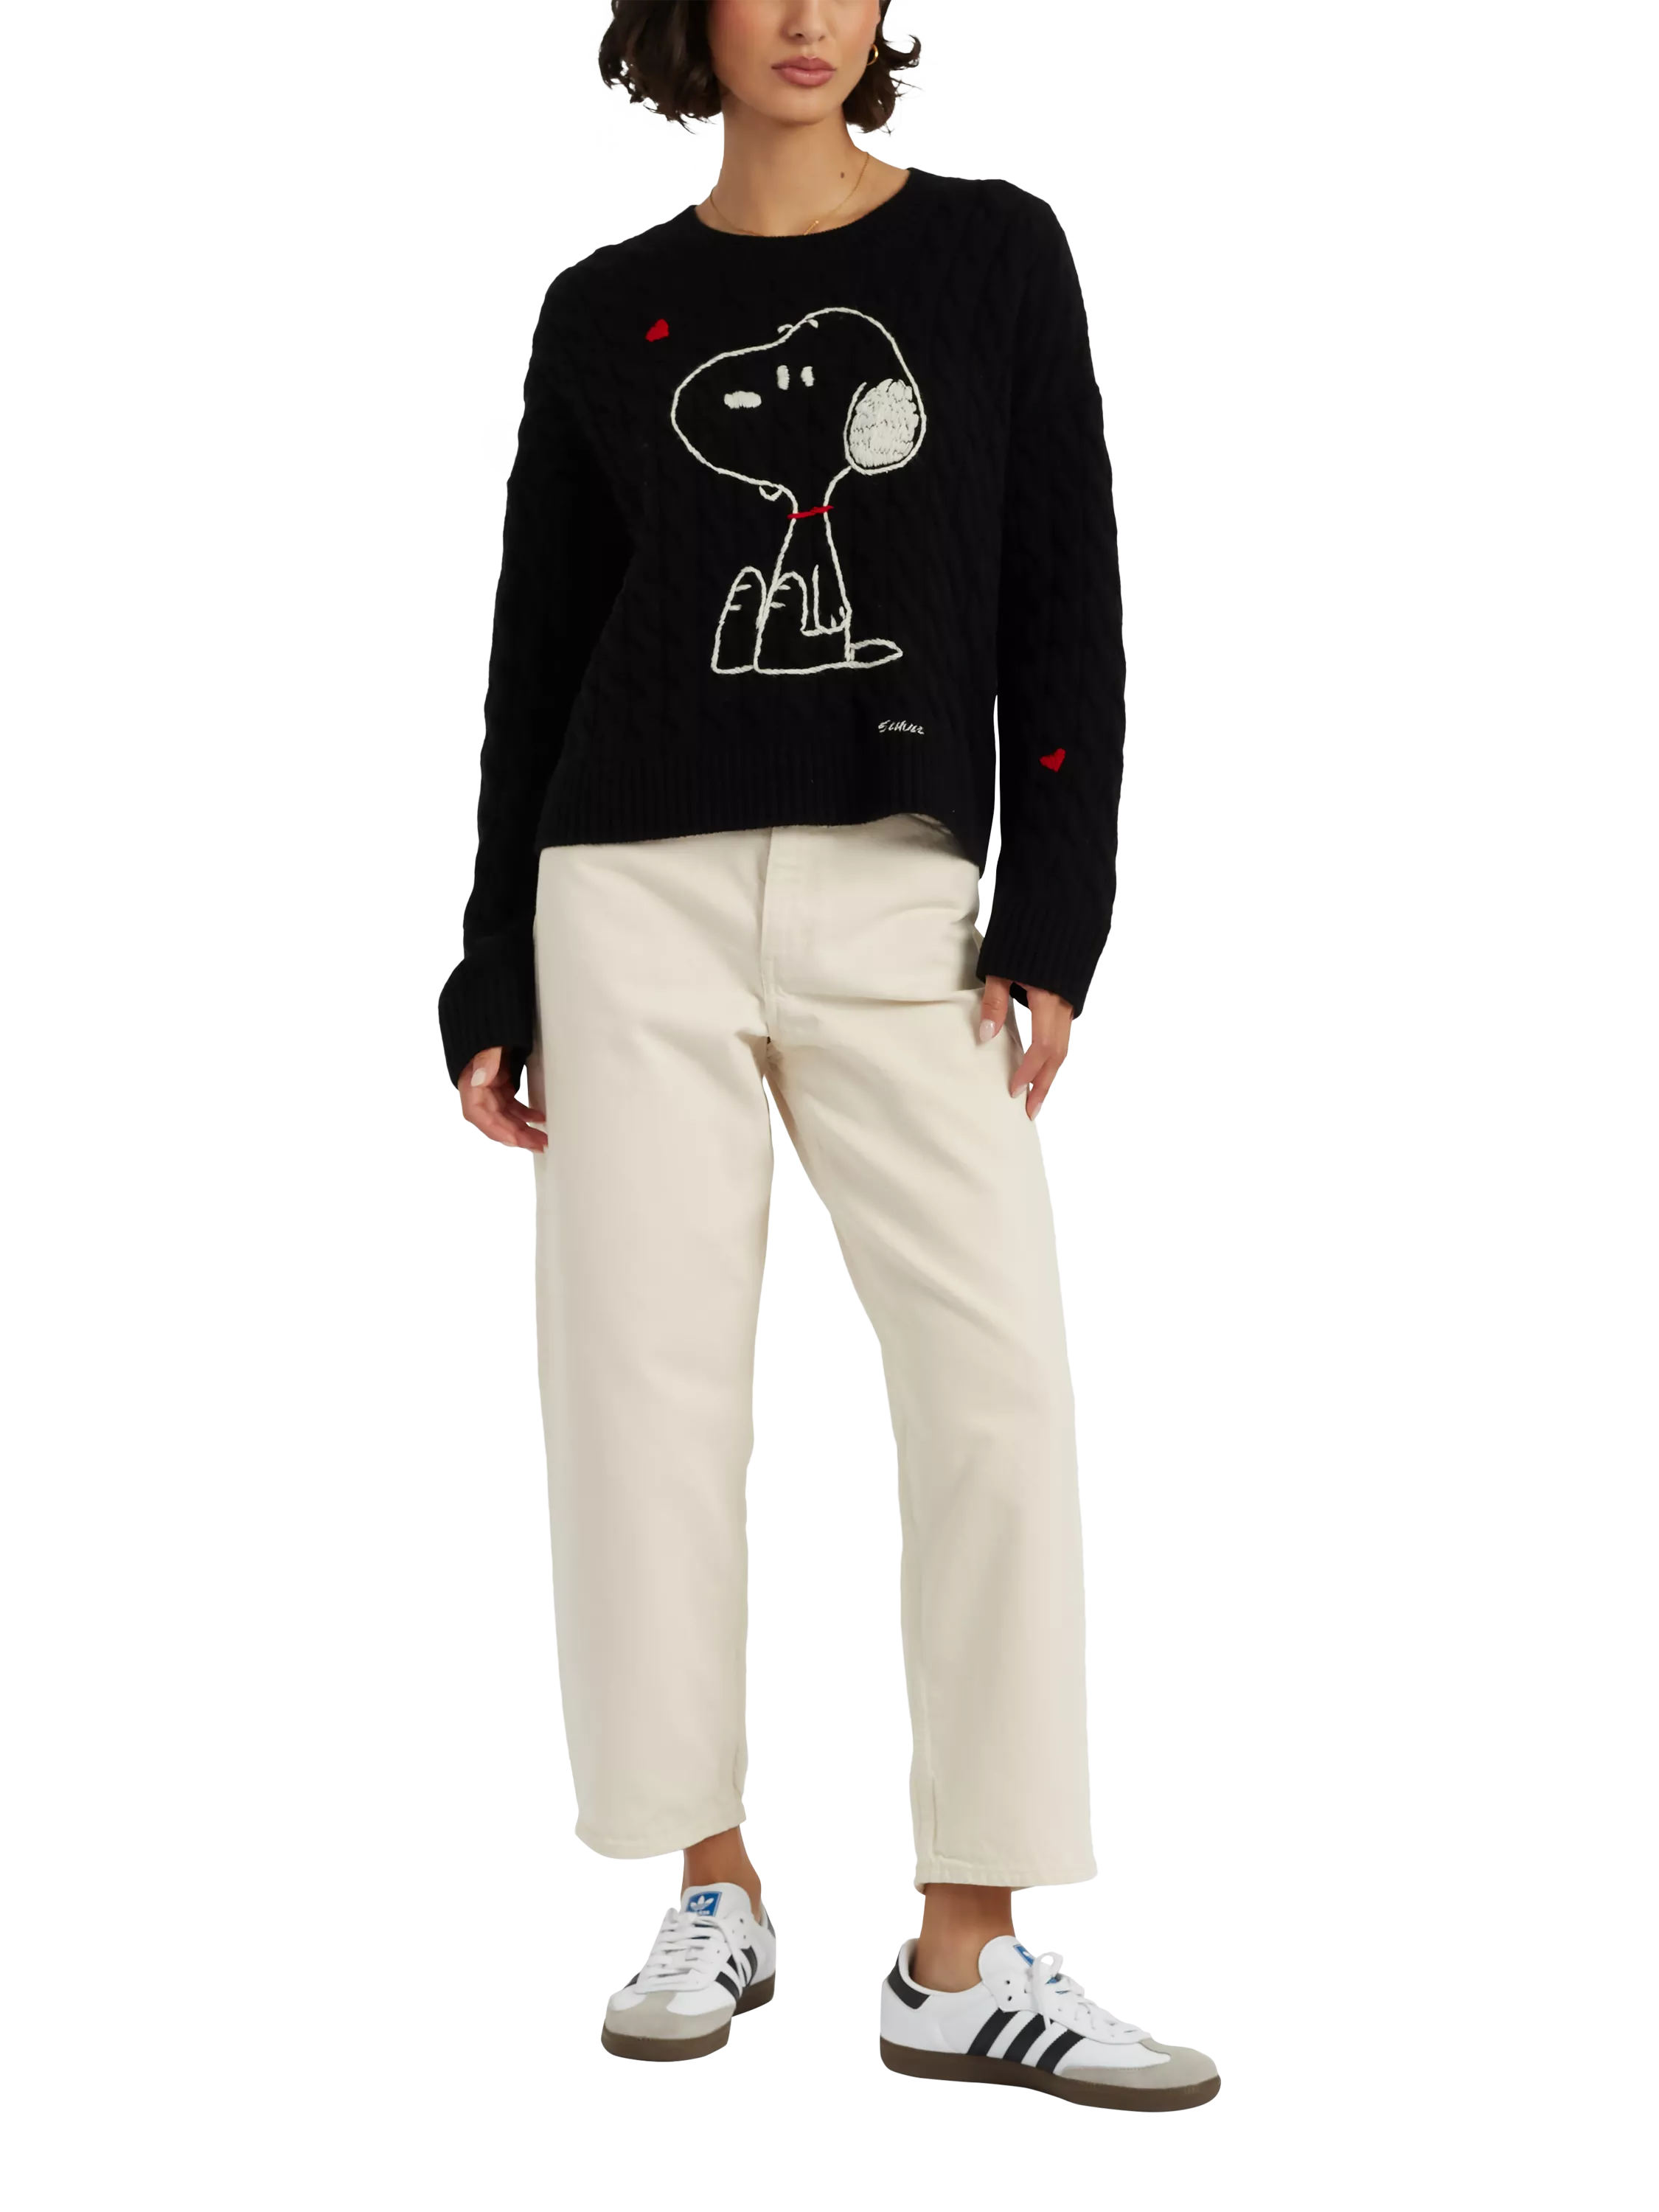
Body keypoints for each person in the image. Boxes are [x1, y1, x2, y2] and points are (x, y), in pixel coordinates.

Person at [438, 0, 1220, 2113]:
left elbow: (1065, 589)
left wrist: (1054, 922)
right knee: (645, 1394)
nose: (805, 12)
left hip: (898, 901)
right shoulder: (604, 311)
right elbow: (538, 646)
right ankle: (710, 1881)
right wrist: (494, 960)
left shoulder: (990, 251)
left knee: (997, 1388)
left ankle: (967, 1950)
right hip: (629, 896)